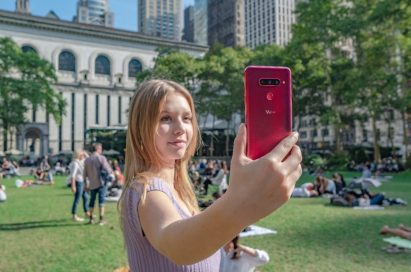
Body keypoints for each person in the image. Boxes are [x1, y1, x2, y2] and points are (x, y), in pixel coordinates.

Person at [119, 80, 302, 271]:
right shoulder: (148, 190)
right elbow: (181, 247)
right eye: (165, 118)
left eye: (187, 118)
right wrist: (240, 200)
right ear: (141, 128)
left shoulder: (177, 191)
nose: (180, 128)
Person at [84, 143, 113, 225]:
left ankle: (91, 219)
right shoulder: (101, 158)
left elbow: (84, 174)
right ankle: (101, 219)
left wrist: (85, 184)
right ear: (98, 149)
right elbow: (108, 169)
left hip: (92, 183)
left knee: (91, 201)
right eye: (101, 149)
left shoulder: (87, 160)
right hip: (101, 183)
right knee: (101, 200)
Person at [69, 149, 90, 222]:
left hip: (82, 182)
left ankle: (87, 212)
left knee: (86, 197)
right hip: (78, 182)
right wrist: (73, 186)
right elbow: (73, 176)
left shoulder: (80, 161)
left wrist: (85, 153)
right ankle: (74, 215)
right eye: (81, 155)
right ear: (78, 155)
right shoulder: (75, 163)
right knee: (77, 199)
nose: (83, 156)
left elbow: (88, 159)